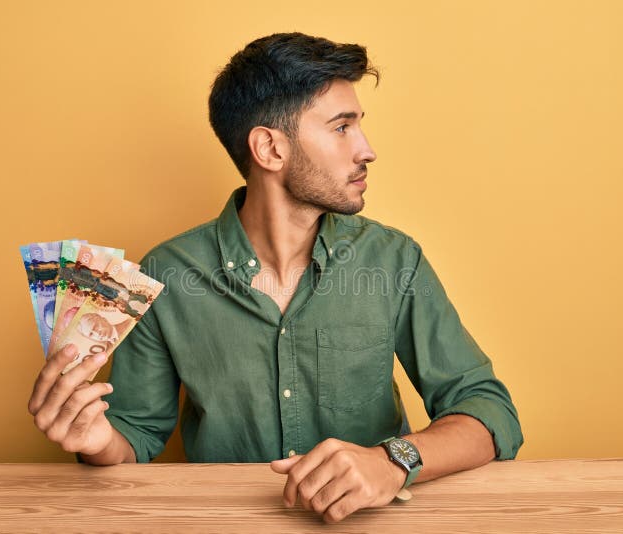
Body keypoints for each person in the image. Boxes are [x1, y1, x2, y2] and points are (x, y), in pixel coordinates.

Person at [28, 32, 523, 523]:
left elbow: (489, 412)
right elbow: (134, 437)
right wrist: (97, 443)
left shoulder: (393, 260)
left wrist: (393, 460)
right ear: (269, 148)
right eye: (341, 127)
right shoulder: (168, 272)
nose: (366, 150)